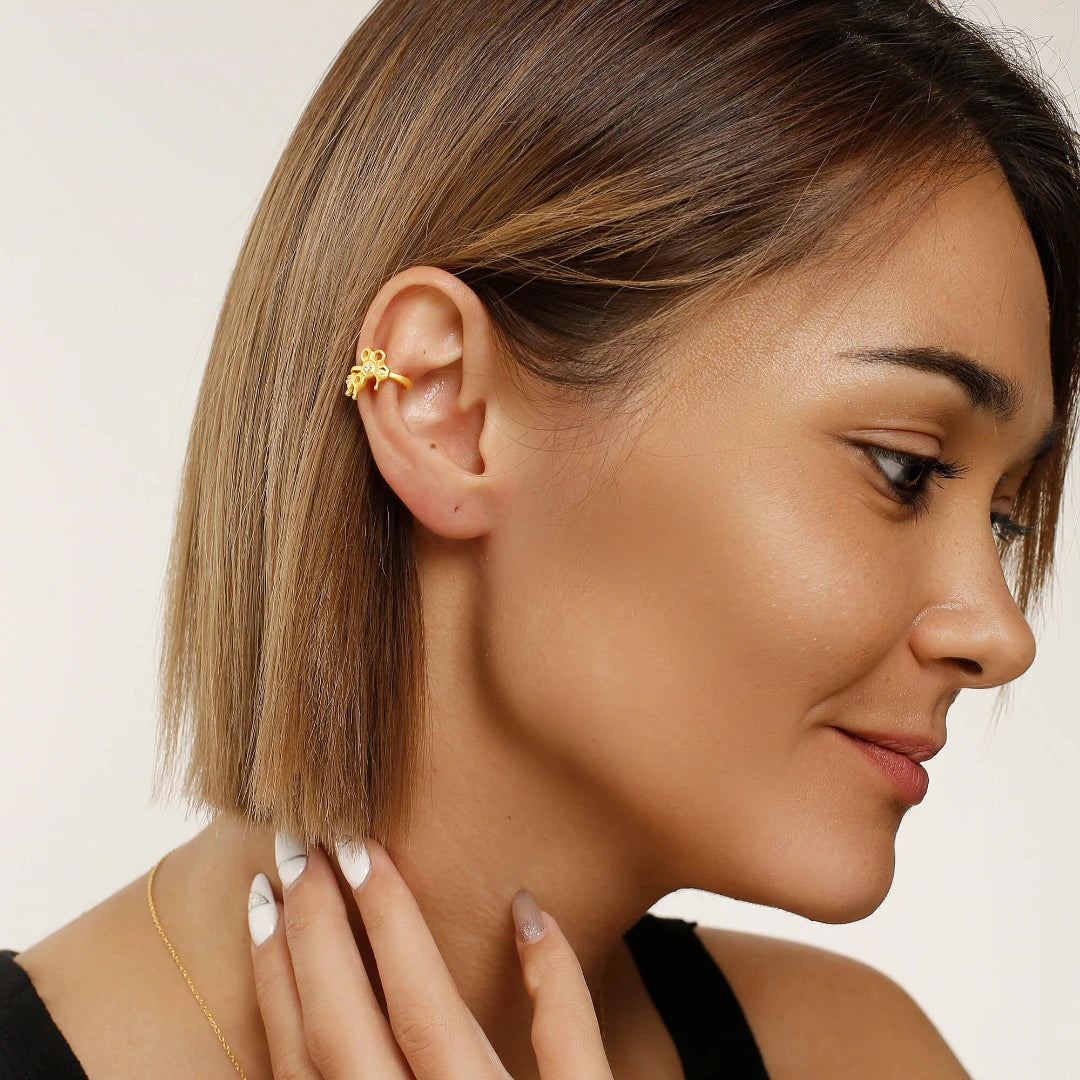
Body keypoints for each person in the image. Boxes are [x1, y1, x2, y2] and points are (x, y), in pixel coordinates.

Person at [3, 0, 1078, 1077]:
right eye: (903, 467)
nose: (1001, 634)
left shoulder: (859, 1057)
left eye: (1003, 516)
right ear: (443, 406)